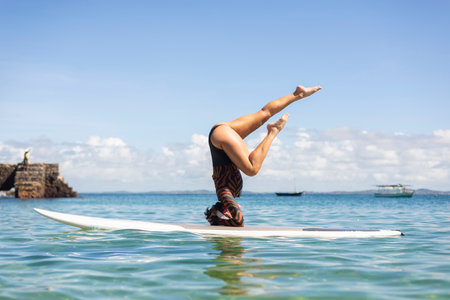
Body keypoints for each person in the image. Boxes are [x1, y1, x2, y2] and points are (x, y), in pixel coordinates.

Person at [205, 84, 322, 226]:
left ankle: (273, 131)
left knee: (252, 169)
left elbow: (239, 222)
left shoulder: (224, 194)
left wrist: (220, 222)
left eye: (230, 212)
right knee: (264, 113)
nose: (235, 209)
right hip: (221, 132)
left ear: (225, 213)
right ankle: (298, 94)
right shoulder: (226, 193)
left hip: (222, 139)